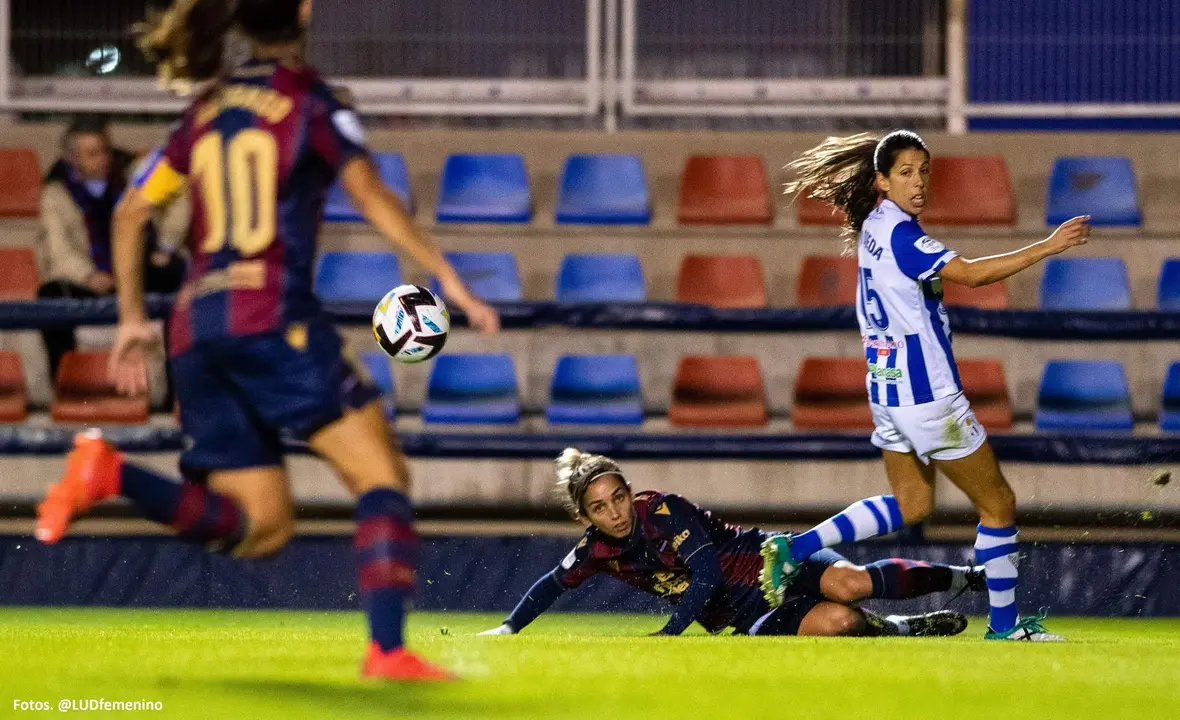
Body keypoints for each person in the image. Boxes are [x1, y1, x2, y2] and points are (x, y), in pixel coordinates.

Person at [33, 0, 500, 681]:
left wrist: (133, 318)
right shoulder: (310, 100)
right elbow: (369, 192)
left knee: (261, 528)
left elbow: (133, 210)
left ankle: (108, 471)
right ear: (304, 11)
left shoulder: (205, 109)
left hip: (196, 331)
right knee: (380, 475)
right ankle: (388, 651)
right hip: (271, 317)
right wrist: (447, 276)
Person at [759, 130, 1091, 642]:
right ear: (882, 181)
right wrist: (1049, 246)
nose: (918, 183)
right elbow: (974, 276)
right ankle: (1004, 629)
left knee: (912, 504)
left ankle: (795, 548)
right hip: (926, 394)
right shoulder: (904, 236)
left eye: (924, 171)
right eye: (906, 173)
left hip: (886, 388)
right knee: (998, 503)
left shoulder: (873, 223)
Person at [479, 449, 983, 639]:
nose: (613, 512)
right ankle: (898, 630)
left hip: (773, 561)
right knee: (842, 622)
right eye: (599, 508)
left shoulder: (663, 510)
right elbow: (551, 585)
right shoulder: (595, 552)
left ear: (630, 492)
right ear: (584, 517)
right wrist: (508, 628)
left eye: (617, 497)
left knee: (849, 584)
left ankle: (968, 578)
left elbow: (708, 575)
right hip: (744, 617)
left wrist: (672, 632)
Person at [38, 115, 187, 379]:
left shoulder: (134, 173)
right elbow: (58, 248)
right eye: (92, 154)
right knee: (50, 295)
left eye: (105, 150)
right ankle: (64, 382)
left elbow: (181, 195)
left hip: (141, 272)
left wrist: (165, 245)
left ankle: (177, 384)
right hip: (91, 280)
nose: (103, 159)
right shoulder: (56, 192)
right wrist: (88, 275)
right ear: (75, 159)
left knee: (179, 279)